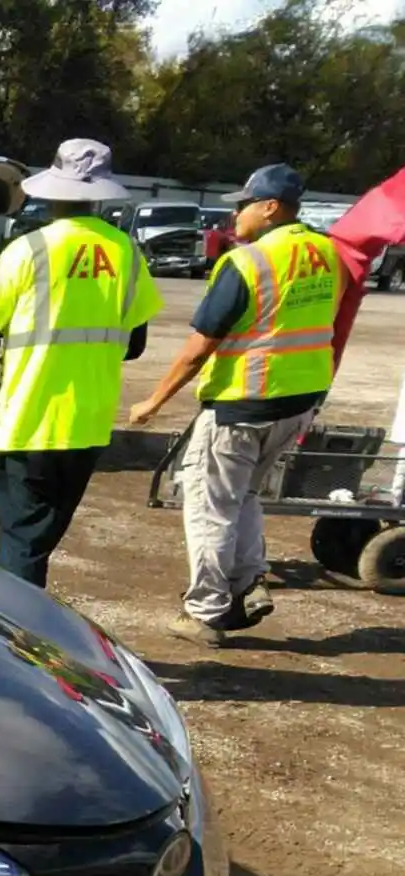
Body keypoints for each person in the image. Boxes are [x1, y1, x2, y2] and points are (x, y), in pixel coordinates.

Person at [0, 139, 161, 589]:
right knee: (38, 542)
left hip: (30, 422)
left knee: (20, 547)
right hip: (87, 426)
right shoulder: (128, 254)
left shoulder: (27, 251)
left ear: (52, 191)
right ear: (98, 194)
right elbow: (135, 345)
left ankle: (16, 641)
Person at [129, 164, 345, 646]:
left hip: (243, 404)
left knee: (209, 504)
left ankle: (204, 610)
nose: (236, 214)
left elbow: (199, 347)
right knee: (244, 494)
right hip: (299, 400)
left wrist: (153, 400)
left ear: (270, 208)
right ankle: (248, 582)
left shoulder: (247, 262)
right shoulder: (328, 254)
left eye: (243, 205)